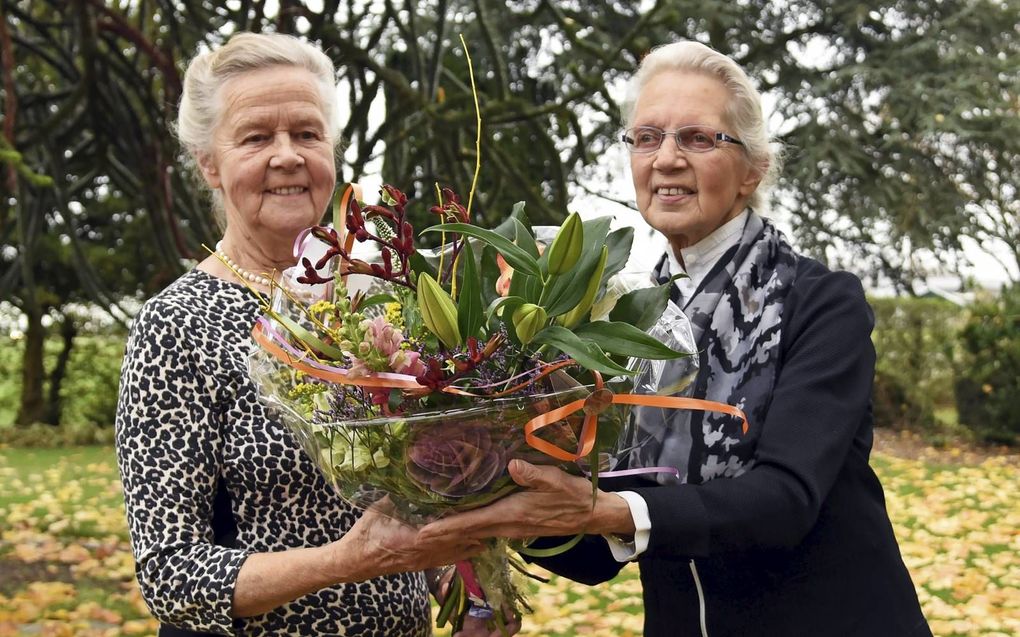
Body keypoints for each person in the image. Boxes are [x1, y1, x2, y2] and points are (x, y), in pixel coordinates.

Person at [420, 41, 933, 636]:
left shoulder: (818, 302)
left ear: (753, 169)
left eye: (697, 138)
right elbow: (602, 547)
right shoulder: (621, 321)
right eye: (646, 137)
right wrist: (491, 500)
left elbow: (786, 498)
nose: (665, 158)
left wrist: (608, 511)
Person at [115, 32, 510, 636]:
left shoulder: (380, 301)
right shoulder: (177, 325)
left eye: (306, 133)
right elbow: (172, 580)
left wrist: (465, 582)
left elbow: (416, 488)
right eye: (255, 137)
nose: (287, 156)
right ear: (209, 163)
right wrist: (347, 563)